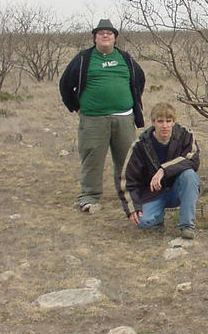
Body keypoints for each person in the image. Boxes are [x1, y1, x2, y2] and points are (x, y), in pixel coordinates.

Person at [60, 19, 145, 212]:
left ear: (115, 37)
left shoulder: (126, 58)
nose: (105, 35)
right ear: (95, 37)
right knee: (92, 157)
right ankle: (89, 196)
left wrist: (131, 102)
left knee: (126, 159)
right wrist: (76, 106)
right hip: (93, 119)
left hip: (124, 118)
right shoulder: (84, 59)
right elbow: (65, 84)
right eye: (101, 33)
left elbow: (139, 79)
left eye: (109, 32)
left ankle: (128, 194)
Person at [118, 102, 200, 239]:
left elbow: (193, 160)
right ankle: (158, 217)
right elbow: (127, 180)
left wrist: (163, 170)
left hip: (177, 190)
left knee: (189, 175)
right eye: (160, 121)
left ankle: (187, 225)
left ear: (174, 121)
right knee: (142, 222)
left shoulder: (185, 135)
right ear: (153, 122)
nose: (165, 126)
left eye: (169, 121)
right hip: (152, 193)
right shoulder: (140, 145)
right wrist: (133, 208)